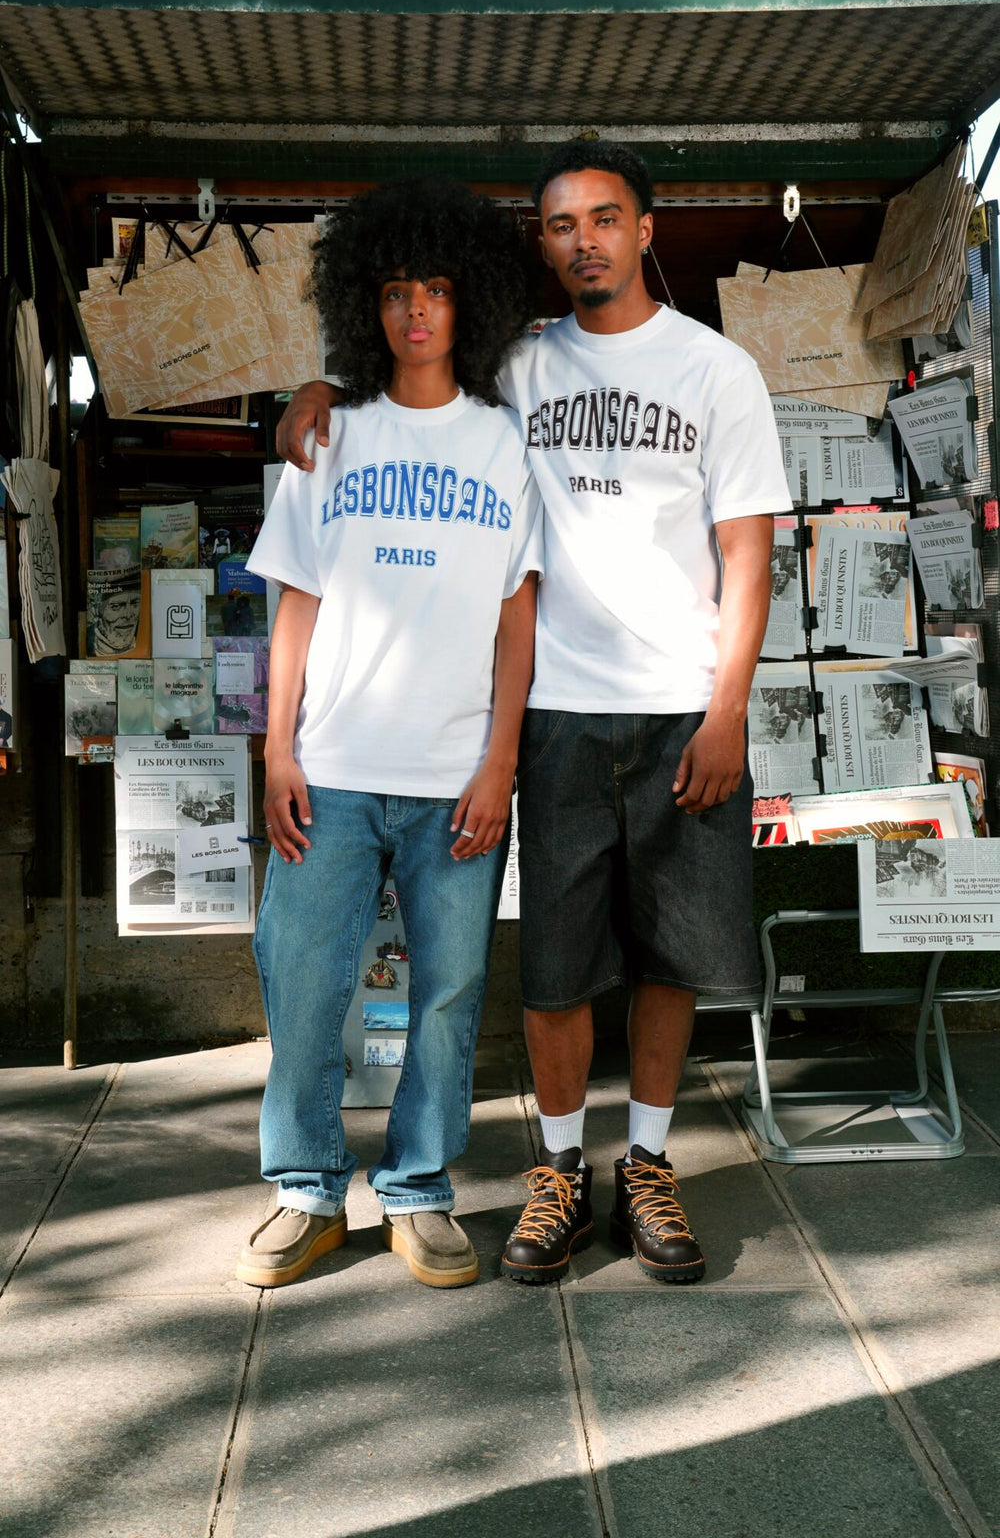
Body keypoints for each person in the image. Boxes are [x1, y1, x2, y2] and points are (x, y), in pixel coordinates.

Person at [277, 140, 791, 1286]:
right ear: (542, 243)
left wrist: (727, 712)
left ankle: (646, 1164)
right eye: (560, 225)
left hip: (678, 711)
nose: (583, 241)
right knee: (555, 968)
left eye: (604, 219)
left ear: (644, 229)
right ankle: (560, 1170)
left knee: (671, 957)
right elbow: (408, 386)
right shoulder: (520, 365)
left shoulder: (718, 373)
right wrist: (318, 392)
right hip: (555, 708)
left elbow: (746, 555)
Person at [236, 177, 541, 1291]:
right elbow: (296, 600)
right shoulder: (332, 434)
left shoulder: (505, 446)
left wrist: (500, 758)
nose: (418, 311)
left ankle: (417, 1190)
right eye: (398, 289)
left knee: (450, 992)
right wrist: (278, 748)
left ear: (475, 305)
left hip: (454, 771)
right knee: (303, 981)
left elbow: (519, 618)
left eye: (441, 290)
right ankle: (306, 1190)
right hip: (333, 770)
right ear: (369, 302)